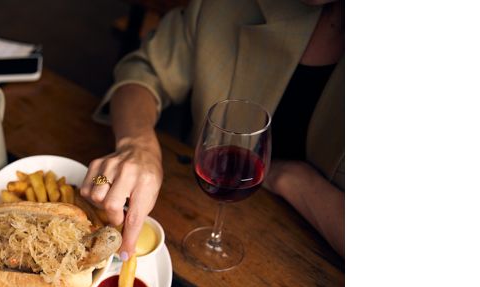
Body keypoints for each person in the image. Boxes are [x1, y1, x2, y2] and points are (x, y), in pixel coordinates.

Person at [80, 0, 345, 259]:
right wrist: (137, 144)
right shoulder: (221, 7)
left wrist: (295, 179)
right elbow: (141, 73)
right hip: (189, 209)